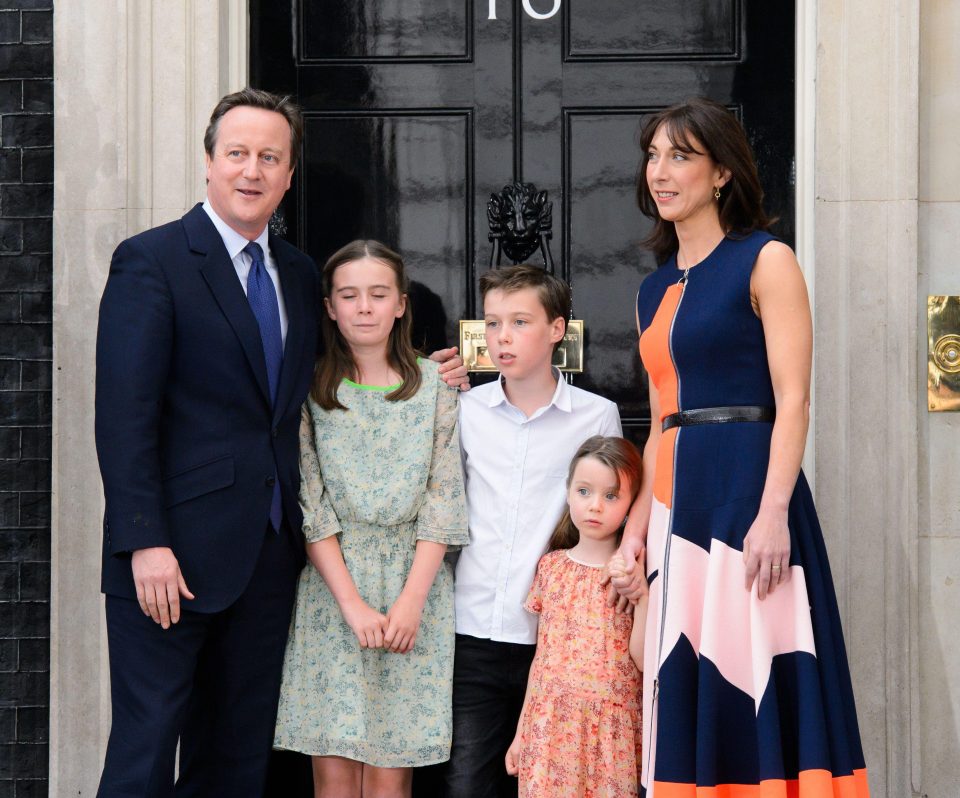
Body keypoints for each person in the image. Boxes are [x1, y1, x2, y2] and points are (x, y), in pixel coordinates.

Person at [94, 88, 466, 797]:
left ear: (290, 174)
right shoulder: (153, 262)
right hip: (170, 560)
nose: (252, 170)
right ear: (209, 162)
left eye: (270, 157)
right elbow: (123, 415)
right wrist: (144, 540)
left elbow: (355, 366)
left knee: (236, 758)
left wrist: (435, 370)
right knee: (146, 748)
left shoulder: (300, 274)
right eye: (237, 154)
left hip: (270, 561)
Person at [614, 97, 869, 796]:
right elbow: (662, 416)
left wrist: (773, 513)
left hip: (749, 501)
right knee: (686, 675)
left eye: (681, 157)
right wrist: (637, 532)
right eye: (654, 156)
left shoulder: (765, 260)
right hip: (679, 512)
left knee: (755, 671)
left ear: (723, 172)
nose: (660, 173)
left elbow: (795, 400)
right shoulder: (653, 289)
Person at [273, 240, 468, 797]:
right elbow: (312, 506)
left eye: (378, 295)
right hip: (334, 595)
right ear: (330, 307)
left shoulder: (435, 389)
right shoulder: (311, 390)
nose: (364, 307)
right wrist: (353, 606)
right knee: (334, 774)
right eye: (349, 296)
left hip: (415, 589)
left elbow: (443, 499)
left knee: (390, 777)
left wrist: (409, 603)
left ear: (400, 304)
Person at [446, 265, 622, 798]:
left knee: (554, 784)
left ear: (556, 330)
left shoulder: (596, 417)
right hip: (473, 629)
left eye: (520, 322)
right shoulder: (464, 411)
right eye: (493, 323)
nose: (503, 337)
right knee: (467, 783)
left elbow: (613, 518)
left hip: (561, 639)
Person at [505, 435, 645, 798]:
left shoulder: (633, 575)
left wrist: (642, 597)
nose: (595, 506)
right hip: (550, 728)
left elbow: (643, 659)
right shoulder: (551, 568)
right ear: (568, 493)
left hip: (610, 733)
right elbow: (542, 659)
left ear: (632, 504)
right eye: (584, 491)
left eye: (611, 496)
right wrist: (522, 732)